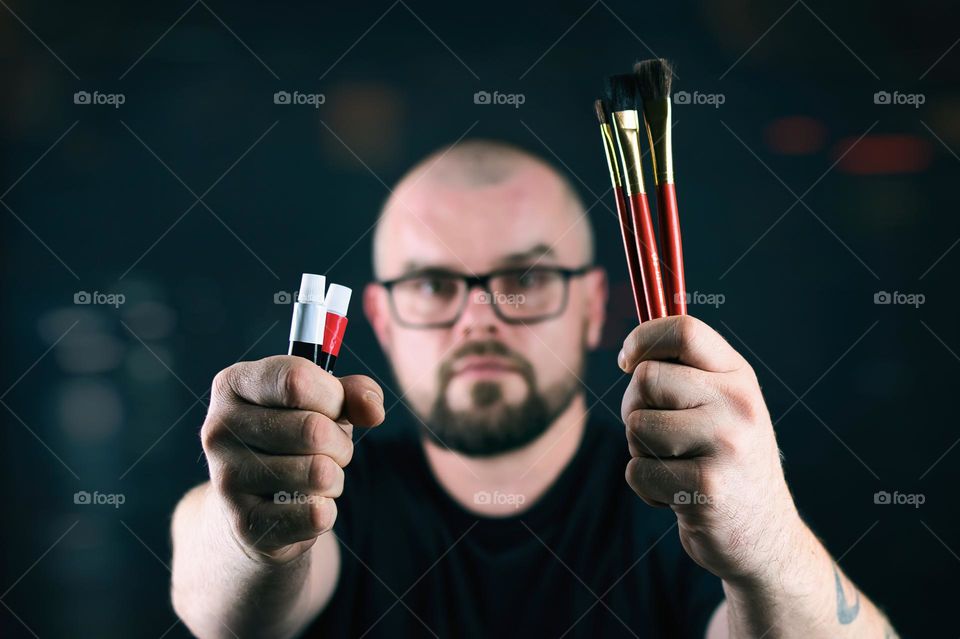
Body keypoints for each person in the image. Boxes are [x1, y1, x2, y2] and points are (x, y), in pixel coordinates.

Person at [170, 140, 899, 638]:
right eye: (433, 283)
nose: (481, 319)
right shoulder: (332, 498)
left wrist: (766, 542)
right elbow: (219, 607)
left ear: (593, 307)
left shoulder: (689, 504)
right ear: (384, 320)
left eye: (524, 279)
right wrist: (254, 537)